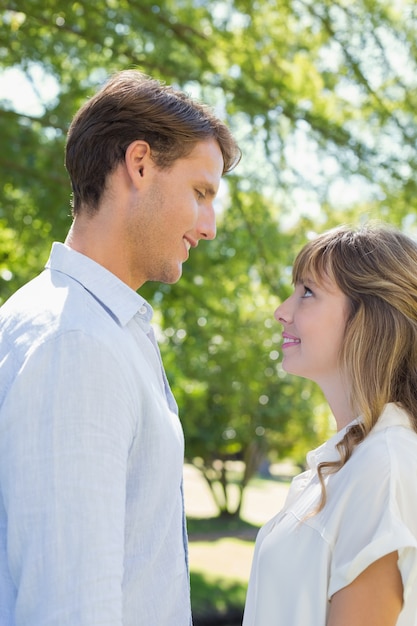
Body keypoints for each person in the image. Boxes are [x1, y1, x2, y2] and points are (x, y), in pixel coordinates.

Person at [0, 69, 240, 626]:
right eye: (201, 193)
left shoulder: (93, 323)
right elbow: (70, 608)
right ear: (139, 164)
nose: (209, 226)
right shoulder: (76, 342)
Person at [243, 224, 417, 626]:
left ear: (369, 320)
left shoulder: (384, 469)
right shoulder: (346, 464)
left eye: (307, 292)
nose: (282, 311)